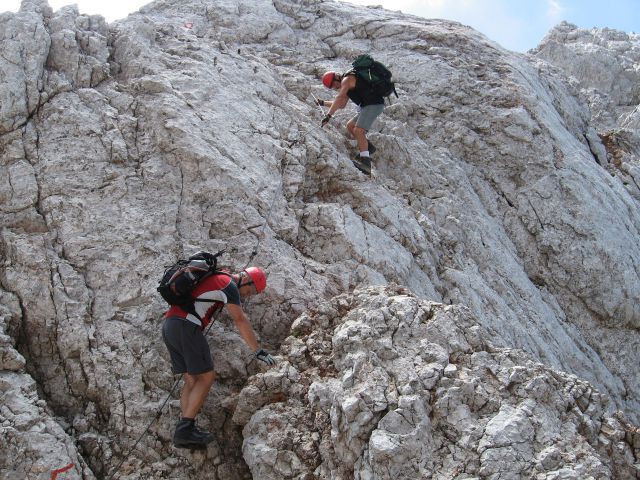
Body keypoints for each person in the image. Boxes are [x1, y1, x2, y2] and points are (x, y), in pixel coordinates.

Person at [161, 265, 275, 449]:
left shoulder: (215, 277)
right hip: (186, 327)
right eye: (251, 291)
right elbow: (240, 319)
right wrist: (257, 350)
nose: (247, 295)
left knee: (191, 380)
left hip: (170, 326)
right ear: (247, 279)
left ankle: (186, 430)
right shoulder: (228, 284)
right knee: (206, 377)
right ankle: (185, 429)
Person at [318, 70, 384, 175]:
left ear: (336, 78)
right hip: (369, 106)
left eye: (334, 85)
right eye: (333, 87)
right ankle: (368, 148)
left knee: (358, 131)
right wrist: (322, 103)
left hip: (373, 105)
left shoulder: (347, 80)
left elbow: (339, 98)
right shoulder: (347, 84)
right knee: (350, 125)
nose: (335, 87)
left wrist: (329, 115)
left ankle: (366, 165)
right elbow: (342, 104)